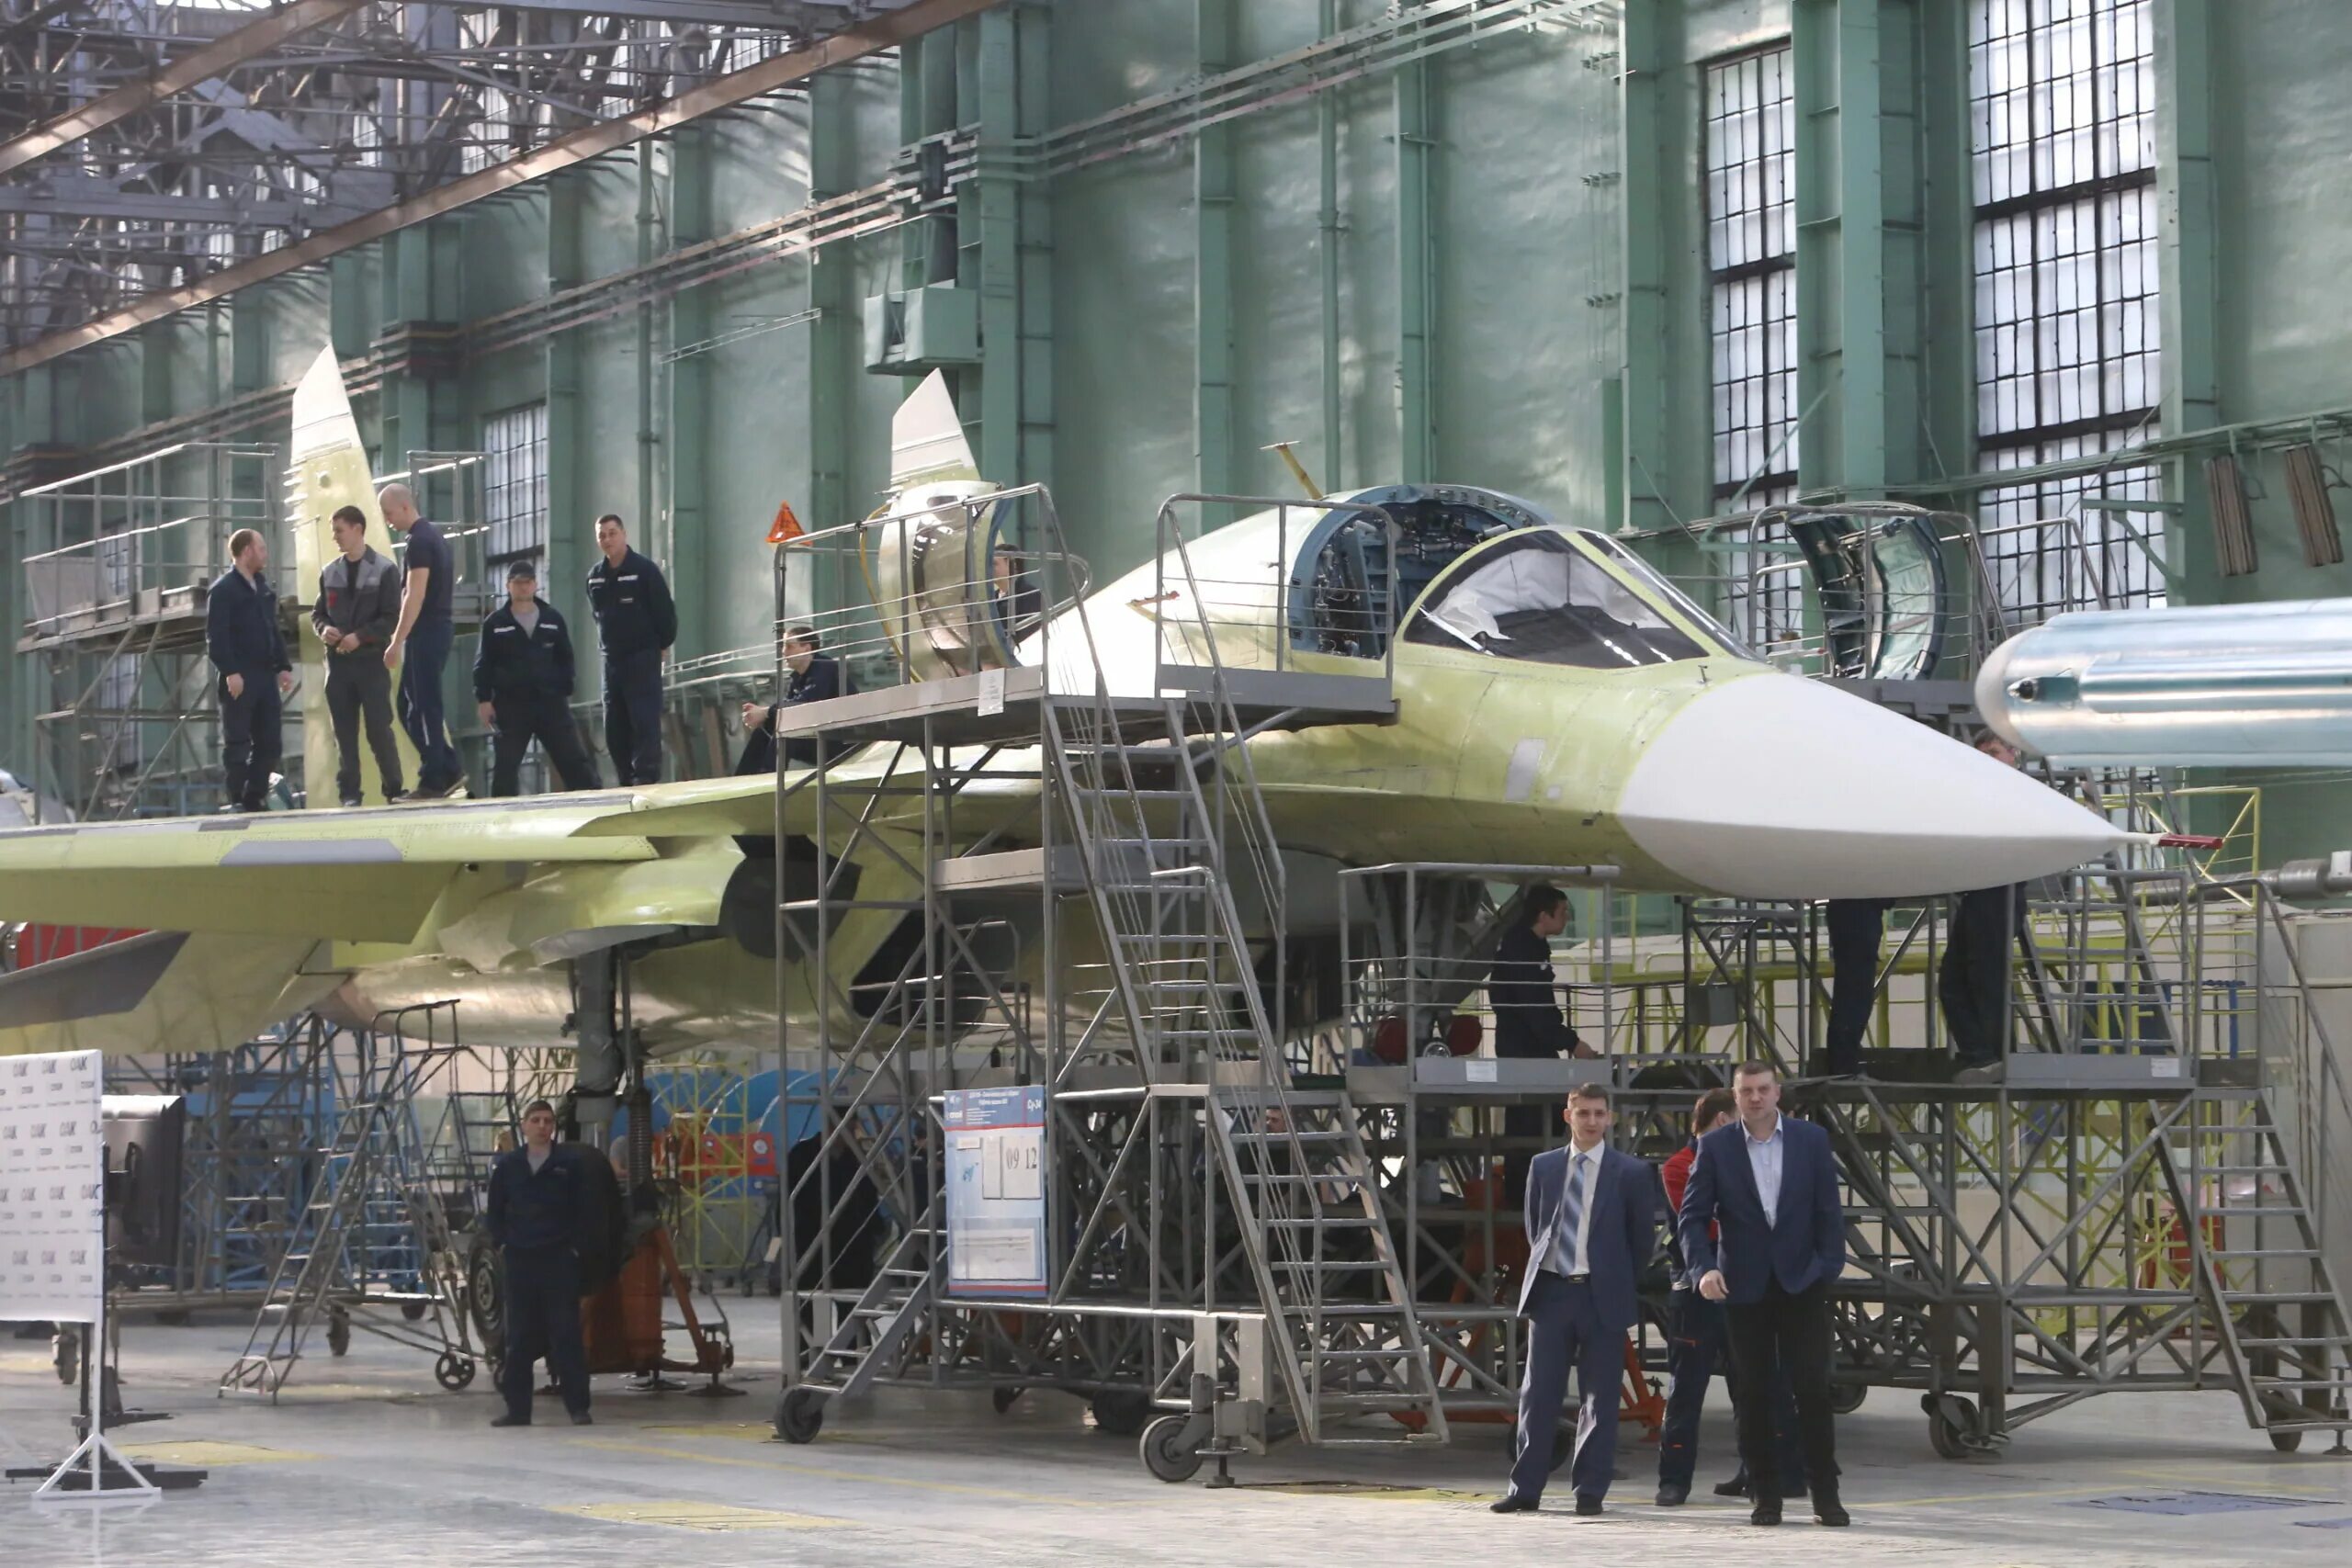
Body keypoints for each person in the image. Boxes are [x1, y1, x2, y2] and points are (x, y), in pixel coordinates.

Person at [1679, 1061, 1849, 1528]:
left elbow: (1829, 1212)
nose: (1755, 1098)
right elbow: (1691, 1218)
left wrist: (1827, 1267)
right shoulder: (1714, 1147)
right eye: (1746, 1091)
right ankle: (1765, 1495)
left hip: (1802, 1282)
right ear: (1735, 1098)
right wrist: (1704, 1269)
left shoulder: (1810, 1141)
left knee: (1813, 1389)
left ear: (1778, 1094)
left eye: (1763, 1089)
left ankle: (1825, 1496)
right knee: (1752, 1394)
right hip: (1743, 1285)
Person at [1491, 1084, 1656, 1517]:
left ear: (1610, 1119)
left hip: (1602, 1295)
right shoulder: (1543, 1167)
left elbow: (1642, 1243)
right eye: (1583, 1112)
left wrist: (1614, 1279)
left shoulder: (1632, 1173)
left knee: (1600, 1400)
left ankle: (1589, 1492)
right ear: (1568, 1116)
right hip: (1552, 1292)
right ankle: (1525, 1489)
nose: (1592, 1121)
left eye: (1600, 1113)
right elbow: (1536, 1228)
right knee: (1537, 1395)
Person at [1657, 1087, 1806, 1506]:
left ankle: (1769, 1473)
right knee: (1687, 1389)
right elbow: (1703, 1225)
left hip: (1747, 1289)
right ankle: (1674, 1481)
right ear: (1724, 1120)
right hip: (1697, 1291)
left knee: (1759, 1386)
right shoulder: (1679, 1165)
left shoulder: (1748, 1160)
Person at [484, 1099, 594, 1427]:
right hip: (520, 1260)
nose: (543, 1126)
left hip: (558, 1260)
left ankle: (578, 1407)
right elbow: (495, 1210)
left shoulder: (569, 1165)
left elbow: (584, 1210)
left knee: (566, 1335)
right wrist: (502, 1243)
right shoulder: (509, 1166)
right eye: (536, 1120)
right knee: (518, 1338)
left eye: (548, 1120)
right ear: (524, 1125)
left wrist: (575, 1249)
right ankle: (518, 1410)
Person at [1490, 886, 1597, 1202]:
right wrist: (1571, 1042)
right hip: (1525, 1048)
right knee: (1532, 1122)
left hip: (1526, 1045)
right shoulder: (1523, 948)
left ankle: (1529, 1193)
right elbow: (1535, 1005)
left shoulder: (1525, 945)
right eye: (1562, 912)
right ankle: (1527, 1194)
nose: (1566, 919)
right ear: (1543, 915)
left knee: (1538, 1119)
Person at [473, 560, 600, 797]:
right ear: (508, 585)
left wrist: (564, 689)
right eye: (517, 582)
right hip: (511, 706)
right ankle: (503, 818)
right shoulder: (495, 624)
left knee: (574, 760)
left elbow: (566, 658)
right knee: (506, 767)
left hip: (550, 704)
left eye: (527, 582)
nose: (523, 587)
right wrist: (483, 699)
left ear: (535, 585)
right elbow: (484, 664)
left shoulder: (552, 619)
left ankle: (593, 803)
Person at [1946, 732, 2029, 1086]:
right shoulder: (1983, 795)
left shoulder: (2020, 794)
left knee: (1985, 975)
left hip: (2000, 890)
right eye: (1982, 754)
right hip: (1980, 890)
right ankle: (1982, 1053)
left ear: (2013, 755)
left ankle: (1994, 1053)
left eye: (1994, 752)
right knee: (1953, 979)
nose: (1989, 760)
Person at [311, 505, 406, 807]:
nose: (335, 537)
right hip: (338, 666)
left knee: (379, 728)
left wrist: (360, 637)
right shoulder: (329, 572)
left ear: (357, 529)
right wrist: (324, 629)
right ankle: (350, 794)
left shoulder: (385, 570)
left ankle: (394, 789)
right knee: (344, 733)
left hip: (370, 663)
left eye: (339, 530)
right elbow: (318, 614)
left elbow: (392, 617)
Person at [379, 482, 465, 799]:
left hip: (426, 630)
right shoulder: (433, 537)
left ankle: (434, 779)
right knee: (407, 705)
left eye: (388, 513)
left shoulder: (419, 542)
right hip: (431, 629)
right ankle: (449, 767)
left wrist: (396, 641)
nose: (388, 521)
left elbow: (415, 594)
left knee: (424, 707)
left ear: (404, 507)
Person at [583, 513, 677, 786]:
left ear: (624, 534)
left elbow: (665, 614)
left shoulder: (644, 571)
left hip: (642, 658)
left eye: (612, 533)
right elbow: (597, 616)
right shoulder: (595, 577)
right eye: (602, 535)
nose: (607, 539)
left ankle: (645, 778)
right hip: (611, 660)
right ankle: (625, 779)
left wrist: (662, 645)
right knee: (614, 725)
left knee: (644, 720)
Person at [205, 527, 293, 812]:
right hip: (239, 677)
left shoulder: (263, 588)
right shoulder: (223, 590)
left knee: (270, 742)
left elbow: (273, 630)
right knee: (238, 741)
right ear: (246, 552)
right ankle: (237, 798)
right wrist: (230, 671)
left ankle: (255, 795)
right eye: (261, 548)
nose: (265, 554)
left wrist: (283, 666)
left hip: (265, 675)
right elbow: (216, 637)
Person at [736, 626, 841, 774]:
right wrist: (763, 718)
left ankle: (769, 777)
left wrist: (765, 712)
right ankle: (743, 778)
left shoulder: (825, 667)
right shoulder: (798, 679)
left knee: (785, 730)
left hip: (839, 742)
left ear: (806, 648)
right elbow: (788, 708)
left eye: (789, 646)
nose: (784, 652)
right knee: (765, 729)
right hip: (820, 739)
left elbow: (805, 706)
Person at [1822, 898, 1890, 1077]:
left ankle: (1843, 1065)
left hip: (1853, 917)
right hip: (1858, 920)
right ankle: (1843, 1067)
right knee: (1854, 1001)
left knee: (1851, 998)